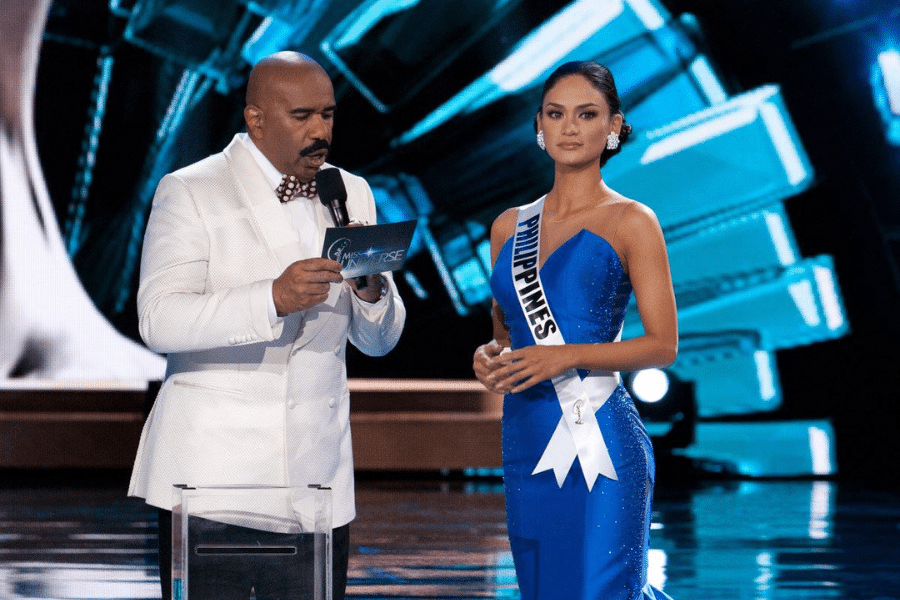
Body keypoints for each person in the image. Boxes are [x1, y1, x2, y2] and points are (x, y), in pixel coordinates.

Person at [128, 51, 406, 600]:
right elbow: (159, 319)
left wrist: (373, 295)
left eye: (328, 114)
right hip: (214, 482)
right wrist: (271, 298)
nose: (320, 131)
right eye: (302, 116)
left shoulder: (352, 191)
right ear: (255, 120)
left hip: (317, 483)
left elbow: (379, 342)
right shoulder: (191, 189)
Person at [473, 60, 678, 600]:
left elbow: (663, 345)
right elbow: (506, 334)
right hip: (527, 436)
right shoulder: (508, 227)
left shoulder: (632, 220)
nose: (569, 127)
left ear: (614, 126)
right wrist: (490, 356)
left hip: (600, 439)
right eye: (555, 114)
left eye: (586, 115)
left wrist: (566, 356)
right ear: (539, 127)